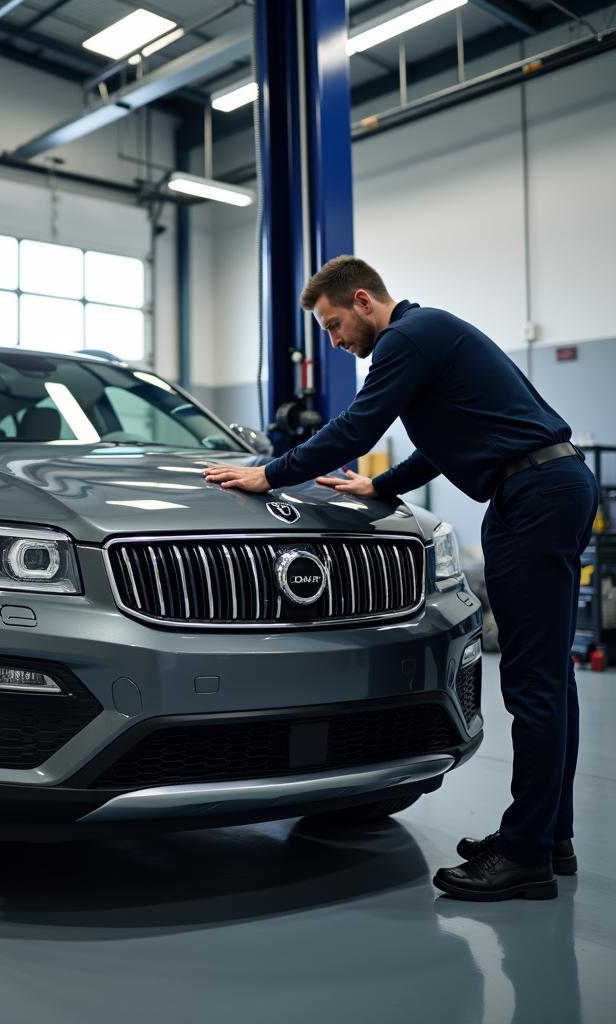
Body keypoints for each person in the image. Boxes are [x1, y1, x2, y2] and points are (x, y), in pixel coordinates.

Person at [203, 255, 599, 902]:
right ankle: (547, 836)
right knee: (550, 678)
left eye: (333, 324)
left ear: (363, 300)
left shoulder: (405, 339)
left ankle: (525, 856)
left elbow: (360, 425)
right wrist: (380, 485)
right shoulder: (433, 337)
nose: (333, 340)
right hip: (545, 486)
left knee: (533, 683)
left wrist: (272, 474)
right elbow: (446, 441)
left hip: (534, 496)